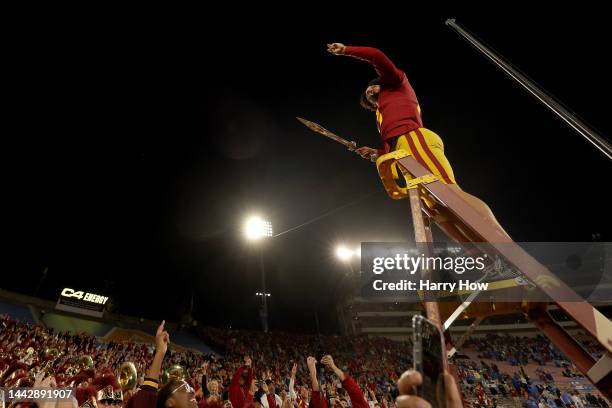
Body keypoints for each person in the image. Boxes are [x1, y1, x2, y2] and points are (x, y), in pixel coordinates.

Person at [326, 43, 511, 240]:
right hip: (403, 151)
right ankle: (485, 260)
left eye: (371, 87)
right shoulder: (382, 116)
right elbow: (392, 144)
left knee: (449, 191)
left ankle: (504, 245)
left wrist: (346, 50)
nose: (369, 94)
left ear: (382, 82)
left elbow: (376, 55)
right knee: (436, 210)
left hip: (415, 139)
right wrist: (377, 153)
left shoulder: (396, 84)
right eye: (369, 99)